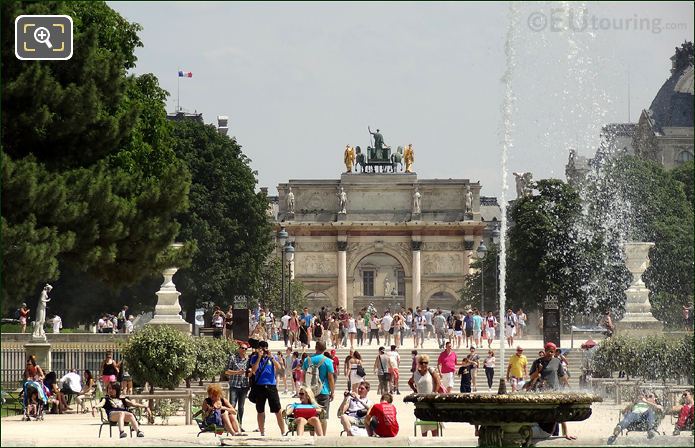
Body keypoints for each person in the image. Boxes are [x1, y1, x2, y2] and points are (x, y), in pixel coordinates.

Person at [249, 340, 286, 436]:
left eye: (265, 348)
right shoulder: (254, 358)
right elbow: (253, 370)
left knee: (277, 409)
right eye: (262, 348)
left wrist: (272, 358)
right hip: (259, 386)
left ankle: (283, 431)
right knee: (260, 410)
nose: (264, 350)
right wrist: (259, 357)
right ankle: (262, 431)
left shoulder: (271, 358)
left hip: (271, 386)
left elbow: (279, 368)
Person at [302, 341, 335, 434]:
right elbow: (330, 378)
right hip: (323, 391)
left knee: (311, 416)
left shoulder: (307, 360)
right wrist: (332, 392)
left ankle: (312, 437)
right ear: (325, 349)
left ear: (315, 347)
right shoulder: (328, 361)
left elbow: (303, 377)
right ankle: (322, 437)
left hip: (310, 392)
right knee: (323, 417)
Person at [408, 354, 442, 437]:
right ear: (418, 363)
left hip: (432, 402)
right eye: (421, 362)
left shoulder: (431, 371)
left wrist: (434, 392)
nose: (424, 364)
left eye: (425, 362)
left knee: (434, 429)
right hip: (421, 403)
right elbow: (410, 382)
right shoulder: (416, 374)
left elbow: (438, 382)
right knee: (424, 429)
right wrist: (415, 390)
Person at [224, 343, 250, 430]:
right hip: (234, 385)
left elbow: (250, 371)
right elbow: (226, 371)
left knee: (241, 407)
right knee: (232, 405)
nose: (244, 350)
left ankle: (239, 424)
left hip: (244, 385)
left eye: (246, 349)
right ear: (239, 349)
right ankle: (230, 424)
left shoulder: (248, 359)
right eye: (242, 348)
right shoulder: (233, 358)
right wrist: (237, 372)